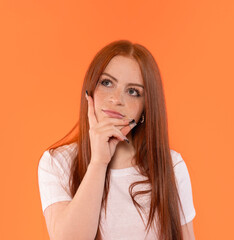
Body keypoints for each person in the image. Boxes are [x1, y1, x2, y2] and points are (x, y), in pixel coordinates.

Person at [37, 40, 196, 240]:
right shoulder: (57, 162)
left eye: (132, 91)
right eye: (107, 82)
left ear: (145, 109)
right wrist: (98, 162)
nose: (116, 99)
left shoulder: (171, 165)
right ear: (90, 90)